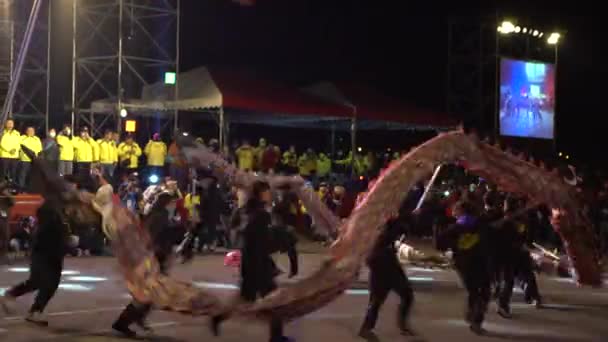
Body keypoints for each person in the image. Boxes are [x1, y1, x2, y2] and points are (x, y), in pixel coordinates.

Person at [212, 181, 290, 342]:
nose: (270, 195)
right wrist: (275, 240)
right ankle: (276, 337)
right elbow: (259, 241)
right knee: (273, 302)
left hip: (251, 263)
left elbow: (240, 232)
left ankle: (219, 317)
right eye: (267, 192)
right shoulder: (261, 214)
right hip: (258, 265)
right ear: (260, 194)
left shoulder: (247, 211)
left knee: (248, 299)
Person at [112, 191, 179, 337]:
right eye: (173, 202)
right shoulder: (160, 216)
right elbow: (153, 238)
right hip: (154, 258)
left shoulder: (157, 215)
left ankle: (134, 319)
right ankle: (123, 322)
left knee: (151, 292)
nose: (174, 205)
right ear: (167, 203)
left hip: (153, 256)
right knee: (148, 293)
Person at [0, 201, 69, 325]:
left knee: (42, 282)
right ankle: (32, 309)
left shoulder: (57, 211)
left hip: (51, 254)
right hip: (45, 254)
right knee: (43, 282)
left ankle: (26, 304)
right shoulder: (52, 211)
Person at [434, 200, 491, 334]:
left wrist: (437, 228)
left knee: (474, 291)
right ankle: (475, 319)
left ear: (461, 211)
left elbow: (439, 244)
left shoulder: (455, 228)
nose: (454, 212)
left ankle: (473, 317)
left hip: (463, 264)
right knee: (483, 291)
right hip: (480, 262)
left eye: (456, 209)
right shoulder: (482, 224)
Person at [359, 217, 415, 338]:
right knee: (377, 301)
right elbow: (370, 258)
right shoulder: (382, 235)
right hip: (384, 270)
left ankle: (368, 328)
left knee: (379, 301)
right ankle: (366, 328)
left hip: (388, 269)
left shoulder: (387, 233)